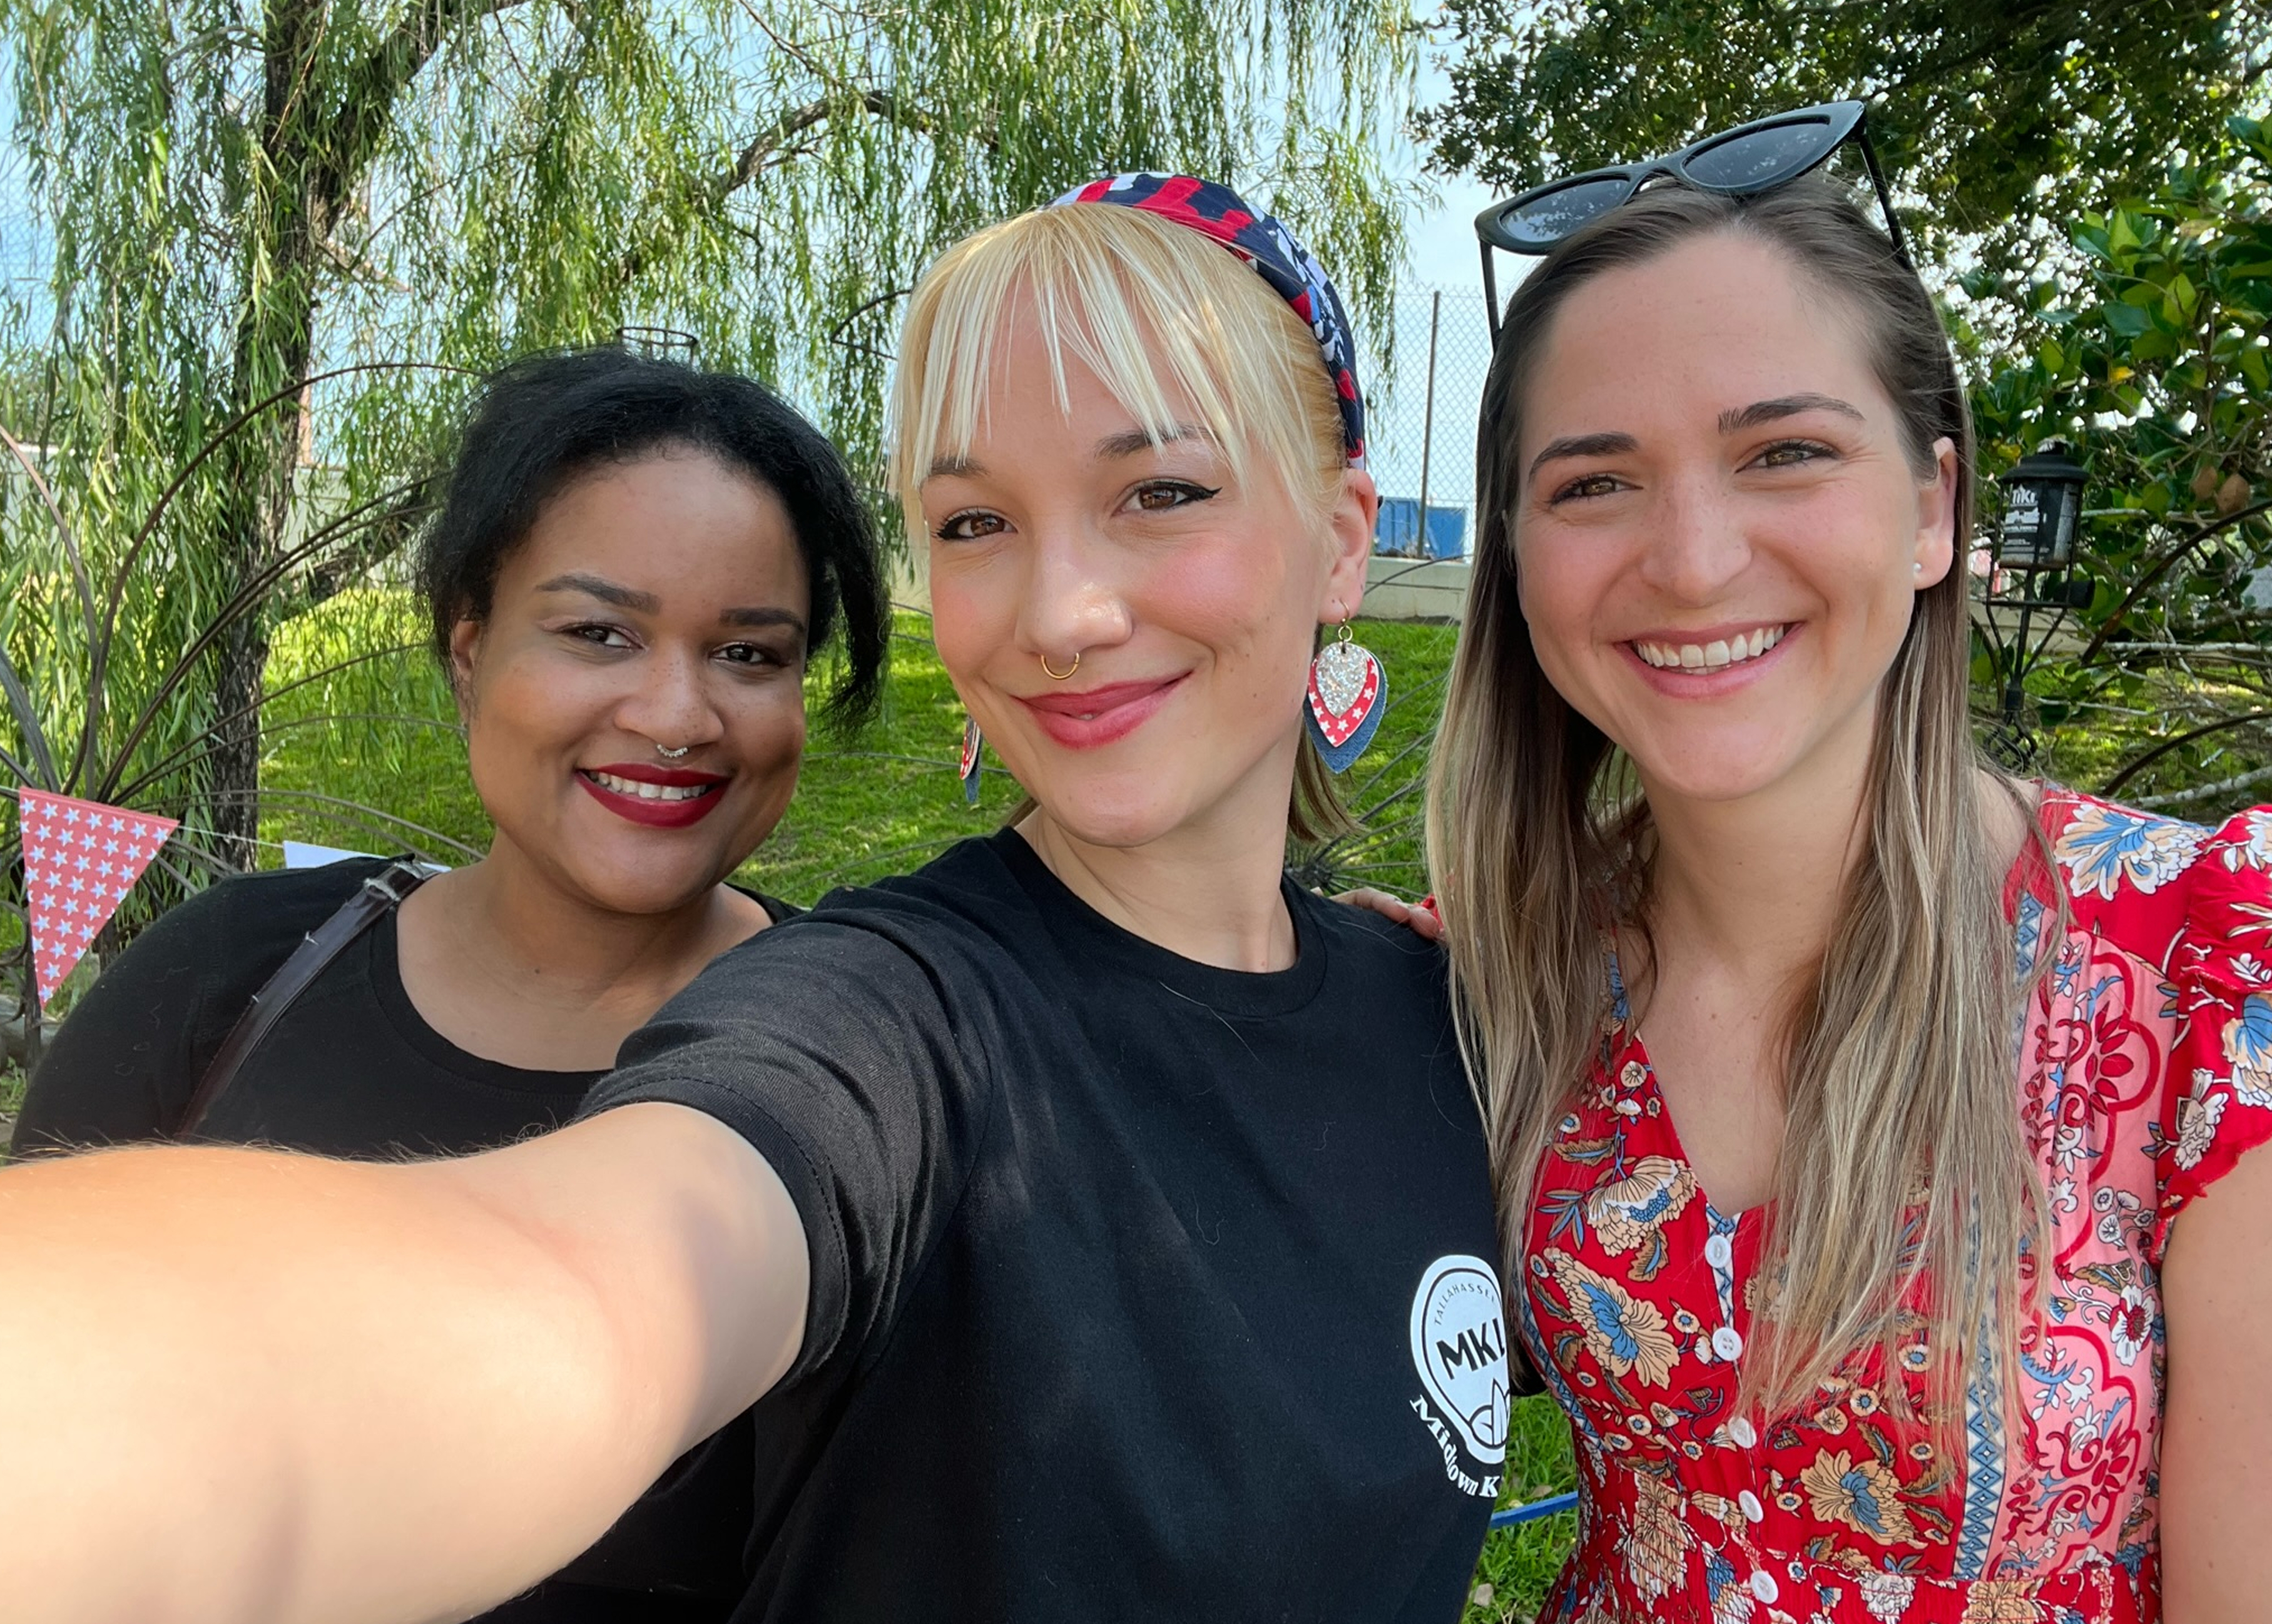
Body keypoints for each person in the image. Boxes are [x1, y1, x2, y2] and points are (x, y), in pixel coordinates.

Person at [0, 175, 1504, 1624]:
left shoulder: (1465, 1028)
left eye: (1162, 491)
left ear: (1343, 538)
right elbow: (584, 1285)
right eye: (974, 521)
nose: (1060, 612)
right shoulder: (882, 1018)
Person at [1425, 149, 2272, 1619]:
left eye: (1783, 453)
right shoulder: (1497, 980)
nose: (1694, 561)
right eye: (1595, 482)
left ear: (1934, 506)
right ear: (1515, 554)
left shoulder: (2198, 964)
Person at [9, 345, 890, 1621]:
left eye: (749, 653)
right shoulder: (227, 976)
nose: (677, 714)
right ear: (470, 654)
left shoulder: (863, 1077)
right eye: (599, 633)